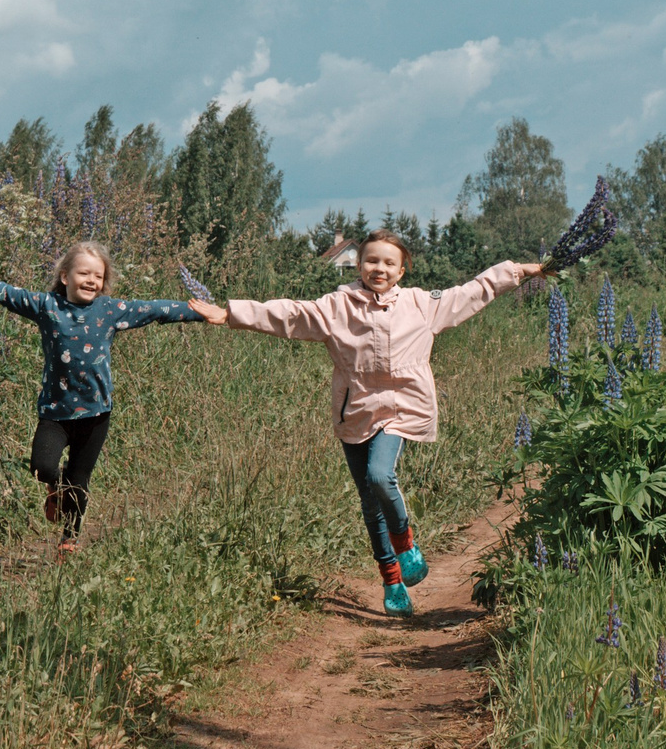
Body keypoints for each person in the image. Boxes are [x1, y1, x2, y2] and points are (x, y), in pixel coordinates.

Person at [193, 234, 549, 614]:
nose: (379, 269)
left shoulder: (421, 305)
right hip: (356, 409)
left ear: (402, 270)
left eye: (389, 263)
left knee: (381, 477)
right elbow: (290, 315)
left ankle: (406, 543)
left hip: (402, 407)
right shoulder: (337, 306)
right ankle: (392, 582)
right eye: (371, 261)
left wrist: (520, 271)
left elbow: (474, 291)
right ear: (359, 264)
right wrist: (231, 314)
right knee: (368, 502)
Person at [0, 242, 213, 555]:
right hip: (55, 413)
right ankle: (54, 487)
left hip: (96, 416)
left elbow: (154, 310)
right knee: (42, 467)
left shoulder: (110, 310)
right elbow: (5, 293)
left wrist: (200, 313)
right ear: (65, 276)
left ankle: (69, 538)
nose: (91, 280)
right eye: (83, 273)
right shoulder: (46, 306)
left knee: (79, 481)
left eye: (98, 276)